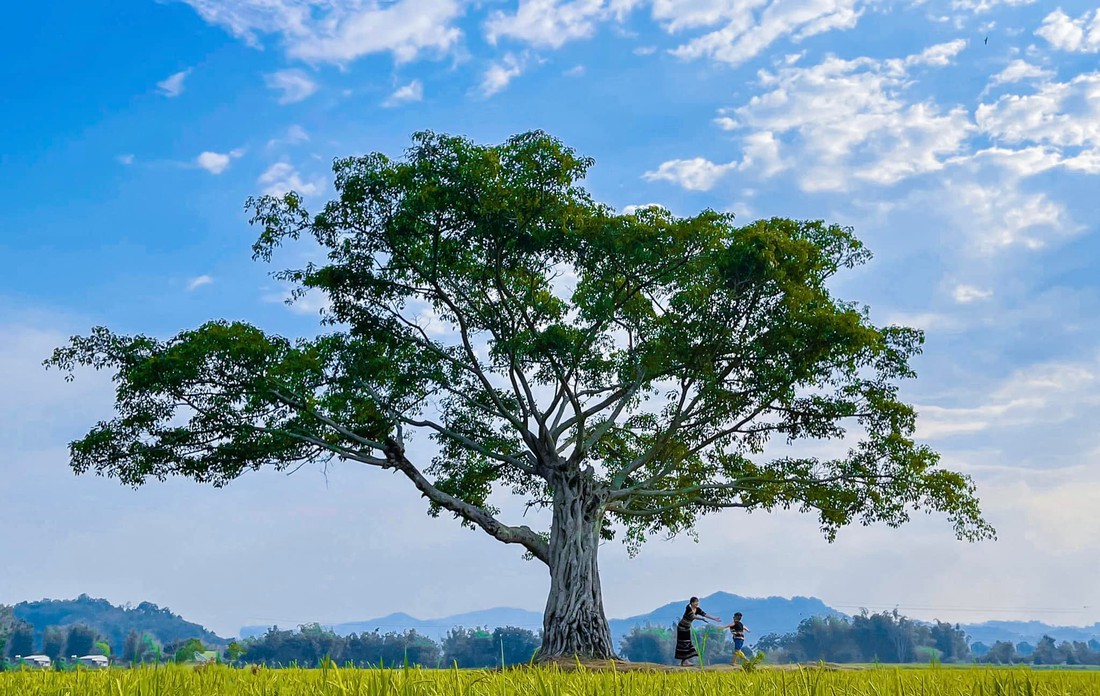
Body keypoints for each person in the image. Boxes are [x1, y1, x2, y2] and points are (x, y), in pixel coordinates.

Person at [675, 597, 720, 666]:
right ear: (692, 603)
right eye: (696, 602)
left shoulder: (697, 609)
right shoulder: (688, 608)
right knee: (684, 643)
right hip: (682, 627)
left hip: (687, 627)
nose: (697, 604)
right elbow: (692, 616)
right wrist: (701, 619)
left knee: (687, 642)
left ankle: (684, 661)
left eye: (698, 602)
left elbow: (705, 614)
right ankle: (685, 661)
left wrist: (714, 618)